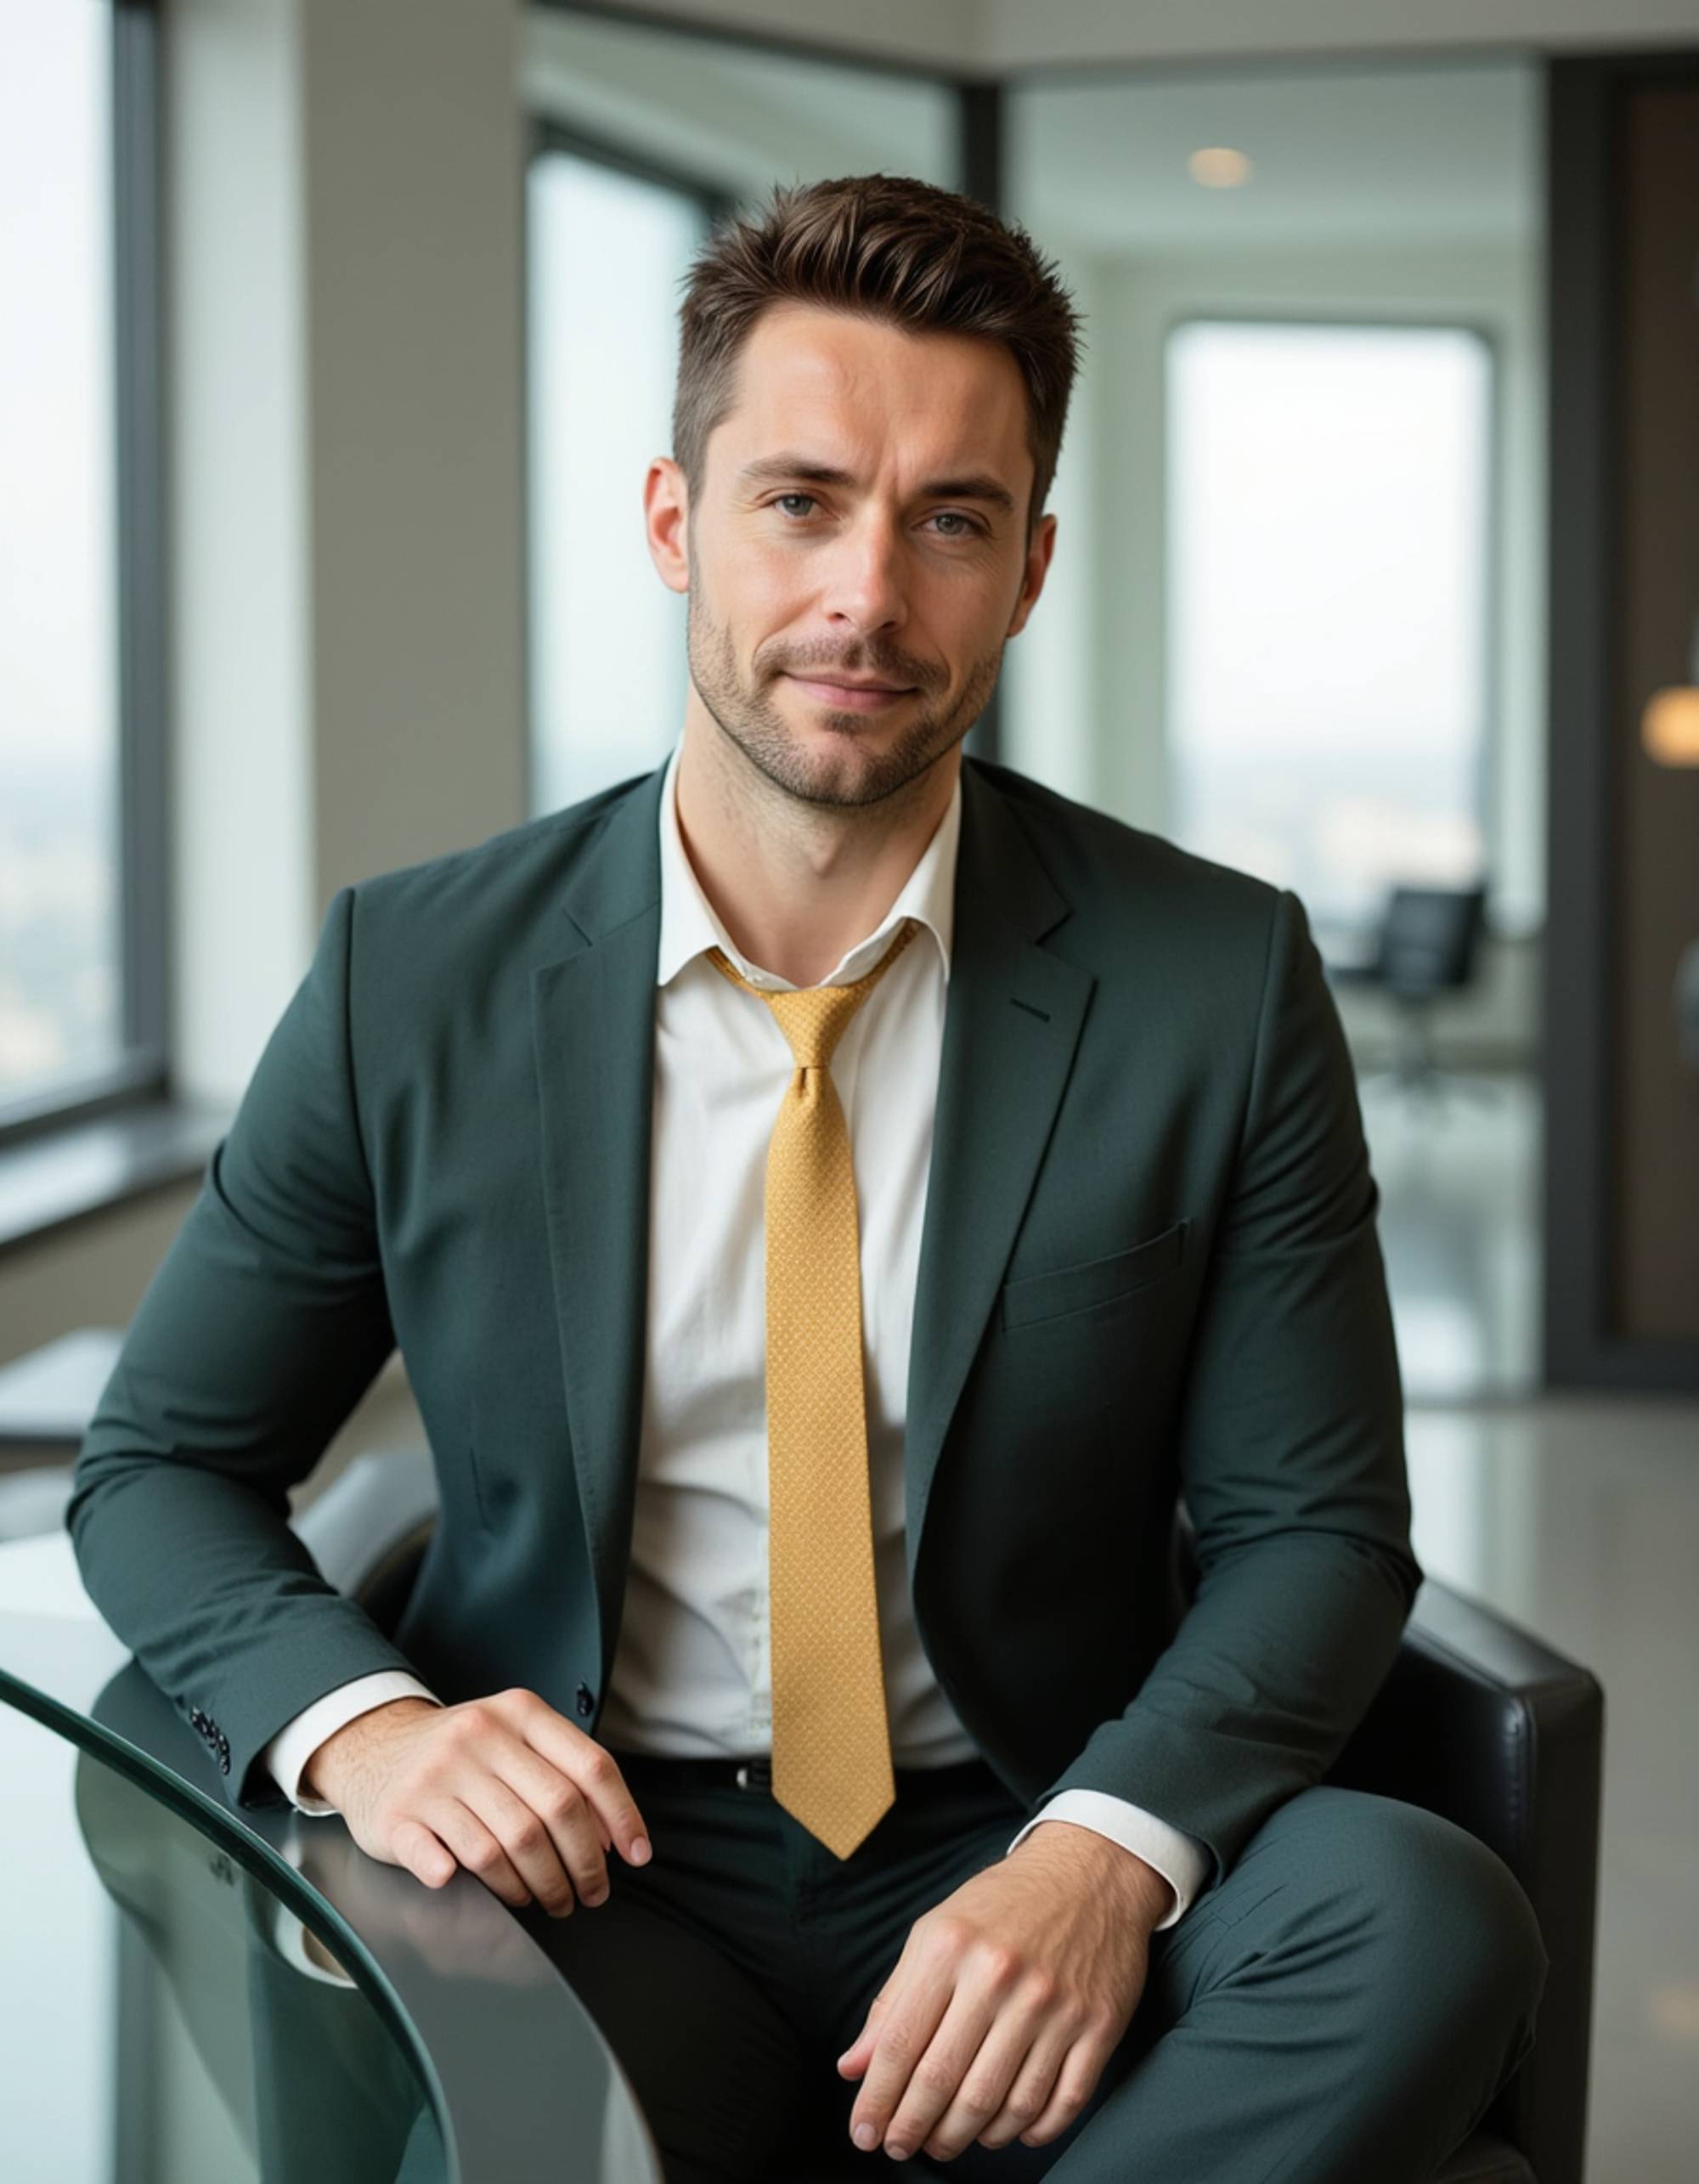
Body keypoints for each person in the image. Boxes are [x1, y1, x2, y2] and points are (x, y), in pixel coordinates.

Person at [68, 172, 1548, 2183]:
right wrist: (373, 1724)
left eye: (949, 519)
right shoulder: (414, 977)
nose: (868, 592)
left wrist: (1102, 1860)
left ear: (1027, 571)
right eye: (800, 499)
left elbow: (1316, 1530)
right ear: (677, 524)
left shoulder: (1212, 972)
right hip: (596, 1865)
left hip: (1014, 1807)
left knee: (1420, 1916)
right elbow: (160, 1460)